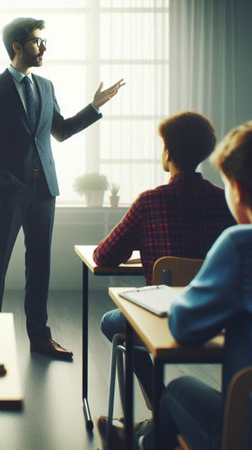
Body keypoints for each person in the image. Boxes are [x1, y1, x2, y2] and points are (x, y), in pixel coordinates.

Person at [0, 17, 123, 360]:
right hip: (9, 191)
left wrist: (94, 106)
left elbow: (62, 131)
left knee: (40, 267)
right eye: (38, 41)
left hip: (44, 192)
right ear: (17, 47)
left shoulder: (47, 86)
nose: (44, 47)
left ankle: (39, 338)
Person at [95, 111, 235, 446]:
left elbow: (103, 257)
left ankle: (156, 412)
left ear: (168, 153)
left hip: (159, 319)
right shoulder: (222, 201)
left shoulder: (149, 202)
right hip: (216, 320)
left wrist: (138, 245)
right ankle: (158, 423)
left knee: (111, 321)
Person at [139, 122, 252, 449]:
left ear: (238, 190)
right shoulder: (218, 209)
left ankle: (140, 438)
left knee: (176, 391)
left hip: (242, 432)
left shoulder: (240, 246)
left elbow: (186, 328)